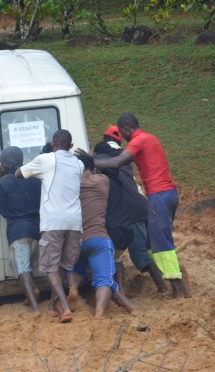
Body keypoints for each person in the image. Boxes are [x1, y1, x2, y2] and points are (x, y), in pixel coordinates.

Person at [88, 113, 190, 298]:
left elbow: (118, 161)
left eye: (123, 132)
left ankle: (178, 288)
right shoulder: (151, 138)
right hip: (166, 195)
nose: (123, 138)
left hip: (158, 195)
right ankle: (176, 283)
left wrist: (91, 161)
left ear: (127, 128)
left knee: (161, 244)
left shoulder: (138, 140)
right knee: (151, 243)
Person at [16, 129, 84, 323]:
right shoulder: (79, 164)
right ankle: (53, 305)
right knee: (63, 264)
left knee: (50, 266)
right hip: (74, 222)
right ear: (70, 146)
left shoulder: (46, 160)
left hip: (53, 221)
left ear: (52, 144)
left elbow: (19, 173)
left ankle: (63, 306)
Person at [94, 126, 167, 294]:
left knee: (139, 252)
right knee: (147, 248)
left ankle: (162, 286)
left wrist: (91, 160)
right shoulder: (124, 159)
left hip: (130, 212)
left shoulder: (102, 163)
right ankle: (164, 278)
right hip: (143, 206)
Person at [68, 154, 135, 317]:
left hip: (76, 241)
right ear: (93, 168)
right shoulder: (102, 181)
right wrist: (90, 158)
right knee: (104, 279)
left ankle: (73, 288)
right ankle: (99, 313)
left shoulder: (70, 185)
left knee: (76, 269)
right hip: (98, 238)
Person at [0, 146, 41, 315]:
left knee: (21, 268)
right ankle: (31, 293)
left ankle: (35, 307)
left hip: (17, 231)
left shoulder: (3, 182)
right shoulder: (35, 179)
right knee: (28, 265)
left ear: (5, 166)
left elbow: (3, 211)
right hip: (37, 229)